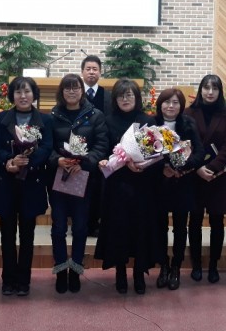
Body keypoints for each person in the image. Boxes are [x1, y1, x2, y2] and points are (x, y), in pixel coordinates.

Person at [0, 77, 53, 296]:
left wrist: (27, 162)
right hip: (6, 182)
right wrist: (8, 161)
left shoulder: (45, 119)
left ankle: (24, 280)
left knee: (27, 234)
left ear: (34, 94)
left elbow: (47, 147)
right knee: (7, 234)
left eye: (27, 91)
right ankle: (8, 280)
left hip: (31, 183)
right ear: (12, 95)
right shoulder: (2, 118)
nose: (23, 96)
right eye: (18, 92)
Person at [95, 78, 158, 295]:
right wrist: (105, 160)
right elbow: (103, 147)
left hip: (142, 184)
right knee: (119, 229)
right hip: (117, 185)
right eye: (121, 95)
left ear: (136, 97)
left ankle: (139, 274)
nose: (125, 99)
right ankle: (120, 273)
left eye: (129, 95)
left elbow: (155, 150)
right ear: (115, 99)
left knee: (140, 229)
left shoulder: (147, 120)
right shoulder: (107, 121)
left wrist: (141, 163)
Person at [49, 73, 108, 293]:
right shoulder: (53, 115)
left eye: (76, 88)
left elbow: (101, 145)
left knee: (81, 227)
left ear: (82, 91)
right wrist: (57, 160)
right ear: (61, 91)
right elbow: (47, 145)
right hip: (59, 178)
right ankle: (60, 269)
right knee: (58, 228)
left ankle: (75, 270)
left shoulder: (95, 115)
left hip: (84, 179)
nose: (72, 91)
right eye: (68, 88)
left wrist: (84, 163)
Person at [185, 74, 226, 284]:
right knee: (195, 221)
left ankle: (214, 265)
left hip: (219, 175)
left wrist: (212, 167)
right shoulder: (189, 112)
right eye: (206, 88)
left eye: (214, 88)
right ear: (200, 90)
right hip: (195, 175)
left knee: (217, 221)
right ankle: (197, 264)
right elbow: (185, 143)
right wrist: (198, 167)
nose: (210, 92)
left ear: (219, 92)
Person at [154, 88, 204, 290]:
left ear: (181, 106)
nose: (170, 106)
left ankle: (176, 266)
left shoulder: (189, 124)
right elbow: (143, 153)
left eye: (175, 102)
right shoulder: (152, 124)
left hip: (183, 183)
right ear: (160, 104)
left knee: (180, 227)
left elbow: (199, 152)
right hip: (159, 184)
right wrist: (163, 168)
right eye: (167, 102)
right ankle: (163, 266)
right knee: (159, 227)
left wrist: (182, 167)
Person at [81, 54, 111, 237]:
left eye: (95, 69)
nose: (91, 72)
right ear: (82, 72)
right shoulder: (75, 94)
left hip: (101, 150)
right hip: (79, 151)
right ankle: (80, 223)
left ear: (100, 72)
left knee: (98, 188)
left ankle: (95, 223)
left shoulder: (108, 96)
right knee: (81, 189)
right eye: (88, 69)